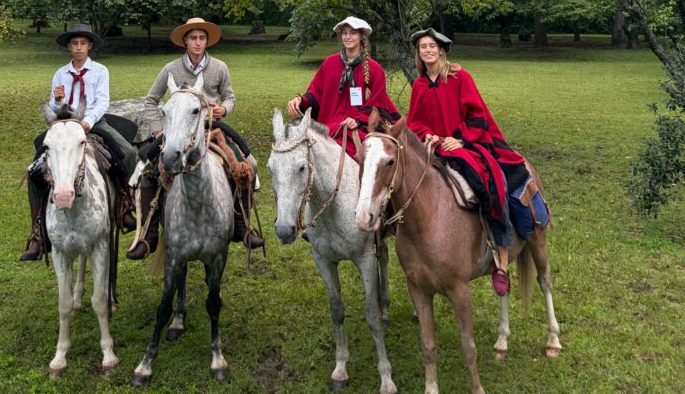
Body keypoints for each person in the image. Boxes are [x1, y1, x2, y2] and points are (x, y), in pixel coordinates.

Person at [405, 27, 529, 295]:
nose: (426, 50)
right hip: (435, 147)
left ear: (441, 50)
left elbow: (477, 116)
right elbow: (415, 123)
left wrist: (459, 139)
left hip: (468, 144)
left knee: (486, 181)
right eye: (422, 47)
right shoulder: (419, 85)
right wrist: (431, 137)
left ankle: (501, 255)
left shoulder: (460, 77)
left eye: (431, 46)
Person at [127, 16, 264, 260]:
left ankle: (242, 225)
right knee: (149, 170)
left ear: (206, 41)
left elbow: (230, 97)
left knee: (247, 165)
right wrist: (159, 129)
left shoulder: (220, 67)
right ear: (185, 41)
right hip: (177, 132)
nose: (198, 43)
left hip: (213, 131)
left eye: (202, 38)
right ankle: (148, 235)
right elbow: (151, 100)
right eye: (193, 38)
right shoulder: (170, 69)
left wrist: (225, 109)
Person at [19, 23, 139, 261]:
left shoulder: (100, 71)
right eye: (74, 44)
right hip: (63, 125)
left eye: (83, 43)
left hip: (93, 121)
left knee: (126, 151)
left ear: (90, 46)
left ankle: (125, 204)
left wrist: (88, 122)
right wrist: (56, 100)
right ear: (68, 47)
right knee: (34, 169)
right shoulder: (60, 74)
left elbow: (102, 101)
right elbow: (54, 109)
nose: (79, 48)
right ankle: (38, 233)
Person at [287, 16, 399, 154]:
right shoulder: (329, 63)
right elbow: (317, 92)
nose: (348, 36)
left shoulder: (374, 69)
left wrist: (358, 120)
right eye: (344, 33)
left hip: (359, 129)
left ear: (361, 36)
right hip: (328, 127)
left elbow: (378, 103)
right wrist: (300, 101)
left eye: (352, 33)